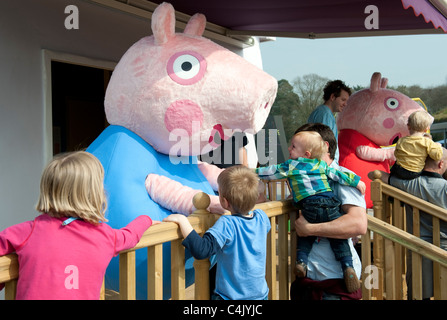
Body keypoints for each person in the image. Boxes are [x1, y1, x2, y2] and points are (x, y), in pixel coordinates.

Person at [0, 151, 158, 300]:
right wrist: (146, 219)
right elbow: (130, 236)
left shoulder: (29, 231)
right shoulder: (106, 236)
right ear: (94, 194)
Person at [255, 130, 365, 293]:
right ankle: (347, 265)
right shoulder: (321, 166)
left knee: (305, 235)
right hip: (329, 203)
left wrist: (251, 172)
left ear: (308, 153)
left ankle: (301, 261)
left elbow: (270, 172)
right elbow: (338, 175)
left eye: (293, 146)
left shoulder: (291, 166)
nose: (289, 149)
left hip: (309, 209)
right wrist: (357, 182)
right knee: (338, 241)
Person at [163, 165, 271, 300]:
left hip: (231, 298)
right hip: (260, 295)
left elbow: (202, 250)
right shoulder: (261, 217)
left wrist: (183, 221)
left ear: (224, 202)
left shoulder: (227, 224)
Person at [290, 123, 367, 300]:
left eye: (301, 146)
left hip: (333, 283)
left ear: (324, 146)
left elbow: (358, 224)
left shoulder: (342, 176)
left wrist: (309, 229)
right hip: (309, 281)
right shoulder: (302, 176)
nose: (296, 152)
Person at [371, 148, 447, 300]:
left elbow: (374, 175)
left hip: (417, 247)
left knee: (417, 293)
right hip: (444, 248)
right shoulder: (445, 188)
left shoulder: (410, 185)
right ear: (441, 164)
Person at [307, 80, 352, 163]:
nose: (345, 104)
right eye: (343, 100)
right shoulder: (324, 114)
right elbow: (323, 142)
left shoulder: (326, 113)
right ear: (332, 97)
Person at [391, 110, 443, 180]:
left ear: (408, 126)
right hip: (414, 173)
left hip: (398, 171)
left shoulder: (401, 140)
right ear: (426, 129)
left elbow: (396, 154)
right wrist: (438, 146)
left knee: (397, 164)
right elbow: (437, 156)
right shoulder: (427, 142)